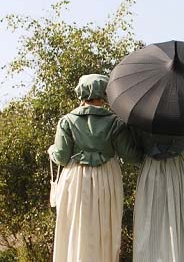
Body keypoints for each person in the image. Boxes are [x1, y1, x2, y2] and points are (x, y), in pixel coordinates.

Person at [48, 74, 142, 262]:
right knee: (105, 229)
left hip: (75, 178)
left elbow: (61, 157)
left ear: (81, 93)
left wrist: (51, 150)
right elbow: (131, 155)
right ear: (104, 93)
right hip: (107, 177)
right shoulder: (116, 122)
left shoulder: (67, 121)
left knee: (76, 227)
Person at [131, 129, 184, 262]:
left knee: (150, 226)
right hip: (181, 171)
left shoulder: (141, 114)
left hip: (151, 170)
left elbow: (131, 153)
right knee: (183, 225)